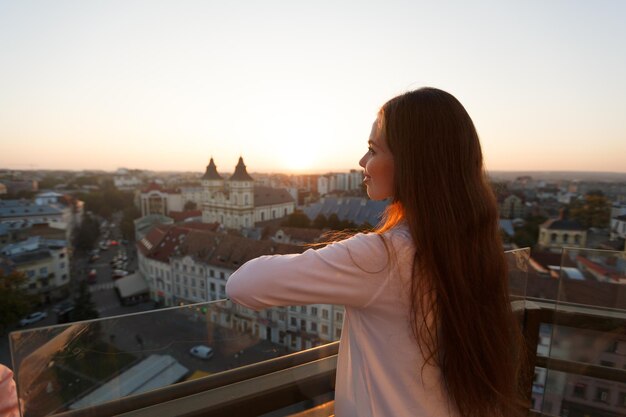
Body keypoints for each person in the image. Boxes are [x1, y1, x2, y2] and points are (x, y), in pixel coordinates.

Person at [226, 87, 526, 417]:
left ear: (414, 162)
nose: (362, 161)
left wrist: (341, 253)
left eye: (372, 149)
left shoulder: (382, 255)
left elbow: (242, 285)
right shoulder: (470, 243)